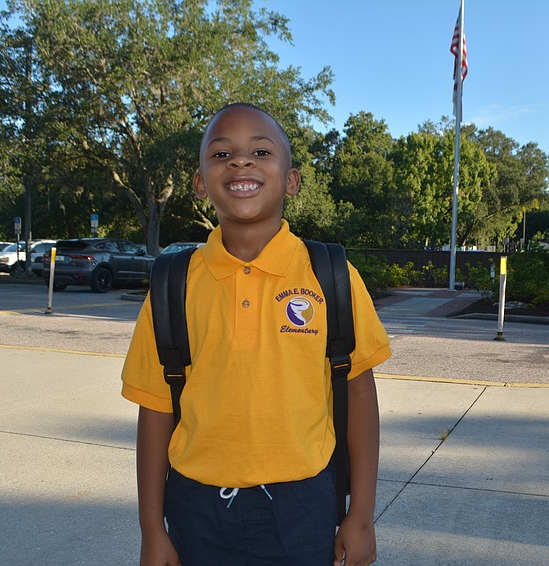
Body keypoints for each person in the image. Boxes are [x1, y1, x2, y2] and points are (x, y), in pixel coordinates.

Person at [121, 103, 391, 565]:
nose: (241, 161)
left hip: (304, 504)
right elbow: (155, 408)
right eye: (221, 153)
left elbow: (360, 396)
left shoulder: (329, 273)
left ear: (291, 180)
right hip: (195, 505)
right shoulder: (174, 283)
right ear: (200, 184)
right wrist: (152, 529)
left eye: (260, 151)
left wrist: (360, 515)